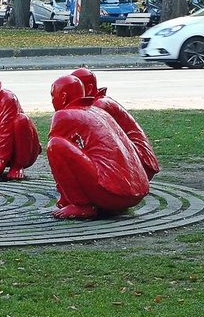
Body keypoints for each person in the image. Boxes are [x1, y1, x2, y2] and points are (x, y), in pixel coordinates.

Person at [46, 75, 149, 220]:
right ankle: (106, 202)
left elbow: (60, 160)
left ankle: (81, 205)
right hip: (135, 193)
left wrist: (65, 197)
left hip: (110, 195)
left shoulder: (63, 115)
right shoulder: (99, 111)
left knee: (55, 145)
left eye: (53, 96)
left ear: (63, 97)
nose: (52, 100)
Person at [70, 68, 160, 180]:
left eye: (77, 89)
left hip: (140, 160)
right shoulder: (99, 102)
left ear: (88, 89)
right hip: (135, 157)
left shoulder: (99, 105)